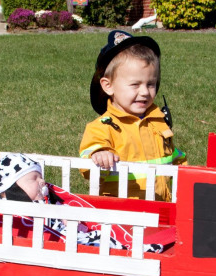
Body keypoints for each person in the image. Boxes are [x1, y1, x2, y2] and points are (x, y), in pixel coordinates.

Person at [0, 153, 164, 252]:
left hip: (73, 235)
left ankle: (131, 243)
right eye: (33, 179)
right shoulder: (10, 211)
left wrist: (67, 217)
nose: (42, 182)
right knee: (99, 243)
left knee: (101, 236)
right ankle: (133, 247)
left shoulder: (47, 203)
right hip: (58, 243)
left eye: (40, 177)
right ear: (11, 189)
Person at [79, 30, 186, 202]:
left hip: (161, 208)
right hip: (120, 213)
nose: (144, 92)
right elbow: (88, 162)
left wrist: (188, 170)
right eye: (135, 85)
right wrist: (99, 153)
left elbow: (172, 157)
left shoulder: (157, 121)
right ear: (108, 86)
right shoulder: (102, 126)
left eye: (151, 84)